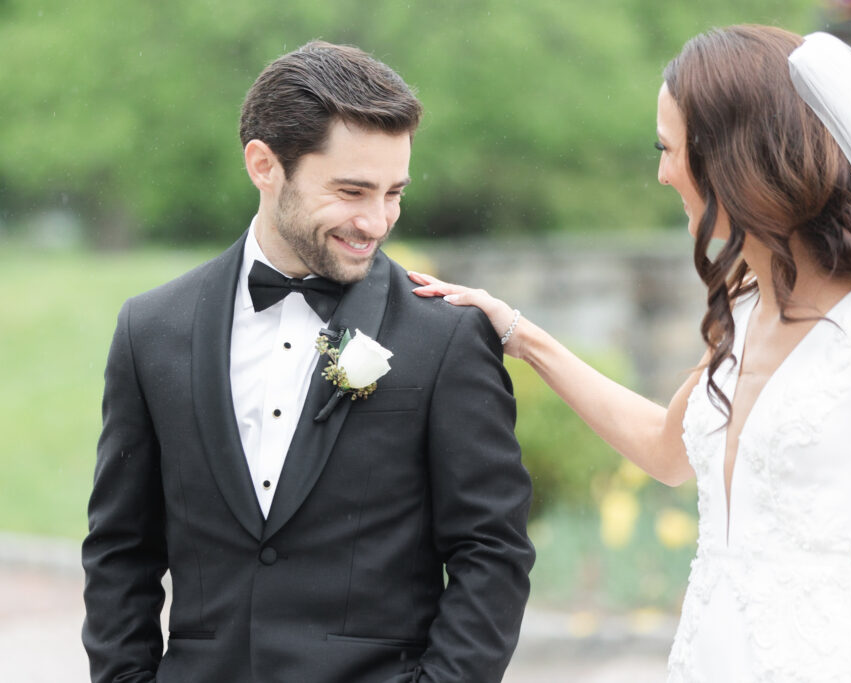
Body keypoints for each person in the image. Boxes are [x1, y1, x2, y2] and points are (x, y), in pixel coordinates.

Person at [409, 25, 851, 682]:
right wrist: (519, 334)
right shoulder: (748, 305)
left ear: (736, 158)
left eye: (670, 149)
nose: (661, 171)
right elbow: (665, 449)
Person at [82, 41, 534, 683]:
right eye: (352, 191)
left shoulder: (446, 336)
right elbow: (121, 552)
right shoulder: (150, 330)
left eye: (393, 193)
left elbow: (491, 551)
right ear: (265, 165)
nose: (376, 222)